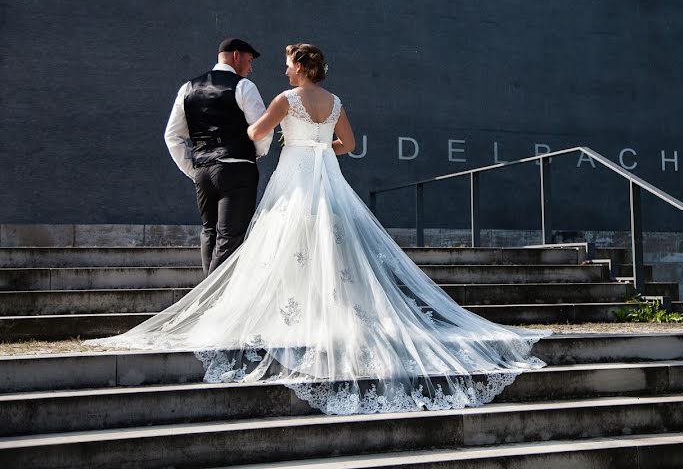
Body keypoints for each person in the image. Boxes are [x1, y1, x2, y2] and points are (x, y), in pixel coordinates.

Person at [88, 43, 549, 416]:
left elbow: (254, 134)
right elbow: (347, 144)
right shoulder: (335, 101)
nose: (284, 70)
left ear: (299, 68)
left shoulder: (285, 99)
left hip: (292, 177)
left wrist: (278, 134)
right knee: (328, 243)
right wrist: (319, 143)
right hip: (325, 175)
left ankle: (278, 307)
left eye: (288, 64)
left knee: (280, 239)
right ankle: (332, 305)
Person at [163, 39, 274, 274]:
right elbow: (263, 129)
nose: (250, 67)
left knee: (209, 231)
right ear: (237, 56)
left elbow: (172, 137)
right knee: (230, 237)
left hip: (203, 170)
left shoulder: (187, 88)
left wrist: (193, 170)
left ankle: (209, 295)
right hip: (237, 168)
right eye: (250, 60)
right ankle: (211, 302)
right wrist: (256, 154)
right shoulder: (244, 86)